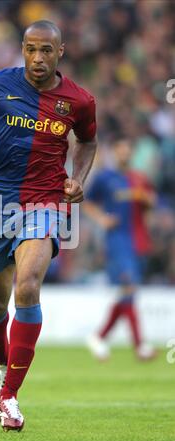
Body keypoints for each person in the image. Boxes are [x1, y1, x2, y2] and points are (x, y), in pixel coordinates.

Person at [0, 20, 97, 432]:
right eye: (31, 49)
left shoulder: (80, 101)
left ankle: (10, 396)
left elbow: (87, 141)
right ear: (22, 49)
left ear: (60, 52)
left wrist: (78, 178)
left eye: (46, 50)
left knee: (28, 287)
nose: (38, 58)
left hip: (44, 203)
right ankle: (1, 361)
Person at [84, 136, 157, 361]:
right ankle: (140, 345)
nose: (124, 154)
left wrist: (144, 198)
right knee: (128, 287)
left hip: (139, 242)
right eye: (120, 150)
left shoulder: (139, 179)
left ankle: (98, 337)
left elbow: (151, 203)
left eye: (127, 150)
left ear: (132, 153)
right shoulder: (105, 178)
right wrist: (102, 219)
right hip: (117, 241)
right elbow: (86, 201)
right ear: (114, 153)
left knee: (127, 292)